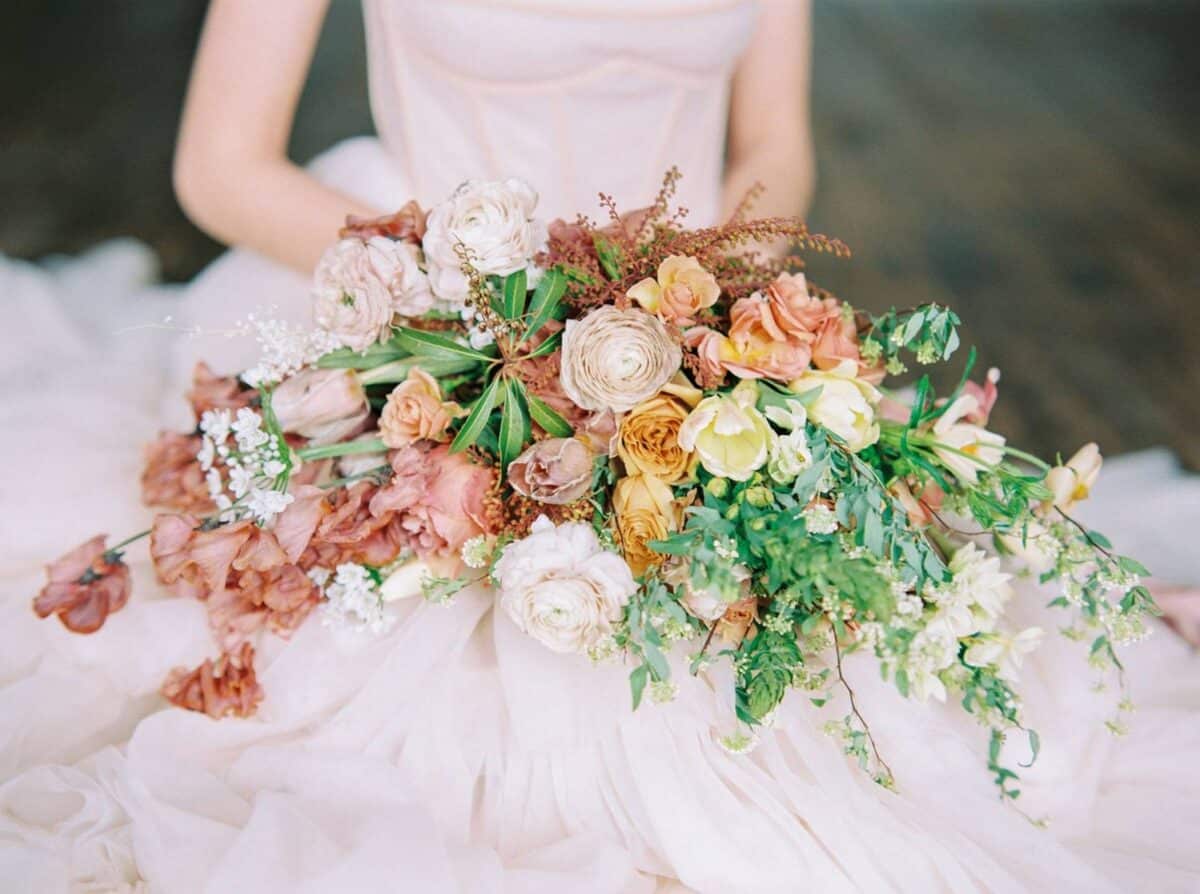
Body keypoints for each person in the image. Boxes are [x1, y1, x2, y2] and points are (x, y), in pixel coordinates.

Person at [1, 2, 1197, 891]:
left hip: (679, 314)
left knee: (850, 599)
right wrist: (494, 310)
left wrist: (700, 308)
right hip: (422, 303)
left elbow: (774, 141)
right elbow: (220, 168)